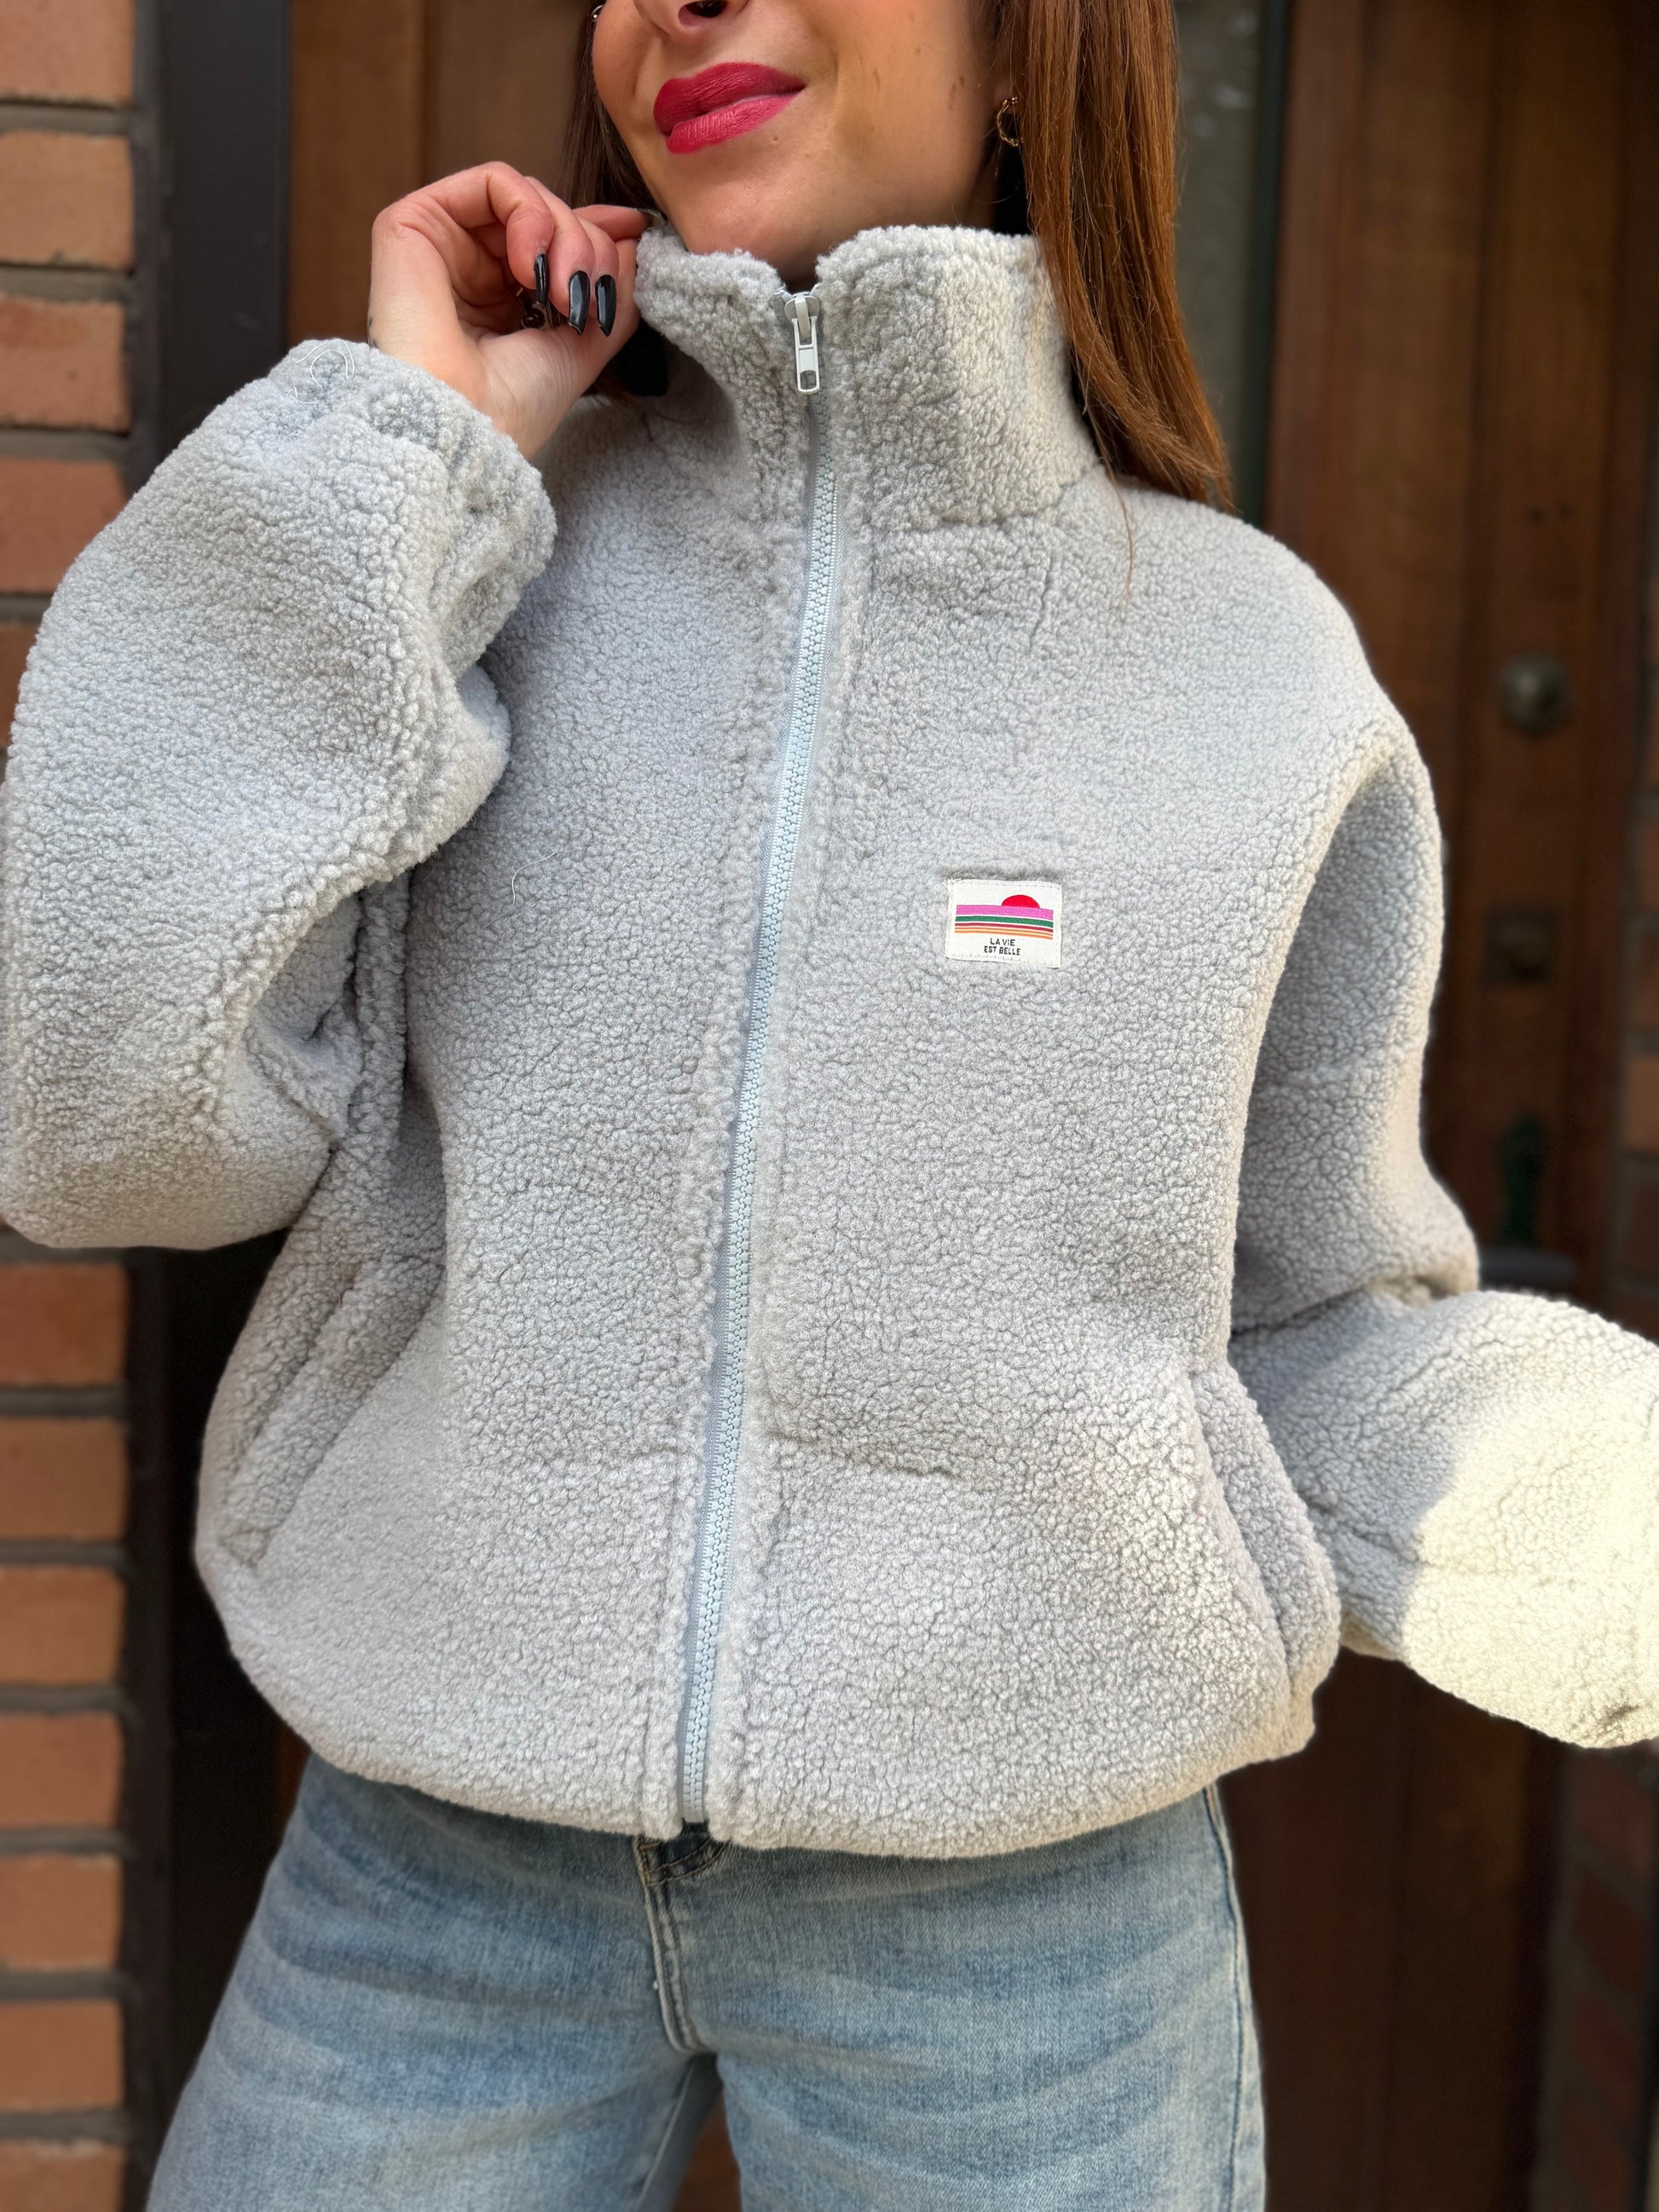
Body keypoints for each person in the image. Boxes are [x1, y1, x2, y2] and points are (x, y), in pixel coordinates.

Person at [3, 0, 1656, 2203]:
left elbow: (1313, 1324)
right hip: (433, 1863)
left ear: (1033, 42)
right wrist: (402, 453)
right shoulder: (459, 566)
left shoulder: (1253, 670)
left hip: (1024, 1916)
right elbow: (107, 1109)